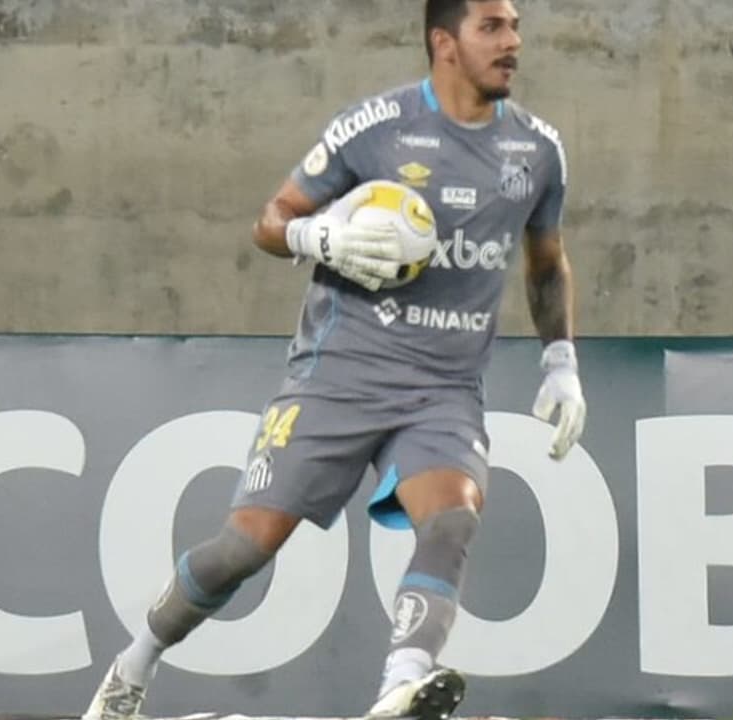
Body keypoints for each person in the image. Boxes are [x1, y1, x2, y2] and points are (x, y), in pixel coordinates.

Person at [84, 0, 585, 717]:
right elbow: (271, 221)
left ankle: (398, 689)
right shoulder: (374, 129)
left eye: (515, 27)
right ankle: (131, 670)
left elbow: (546, 262)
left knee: (453, 517)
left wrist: (561, 361)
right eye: (493, 28)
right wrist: (319, 239)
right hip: (338, 376)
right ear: (444, 42)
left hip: (443, 387)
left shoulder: (537, 150)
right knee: (245, 548)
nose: (513, 43)